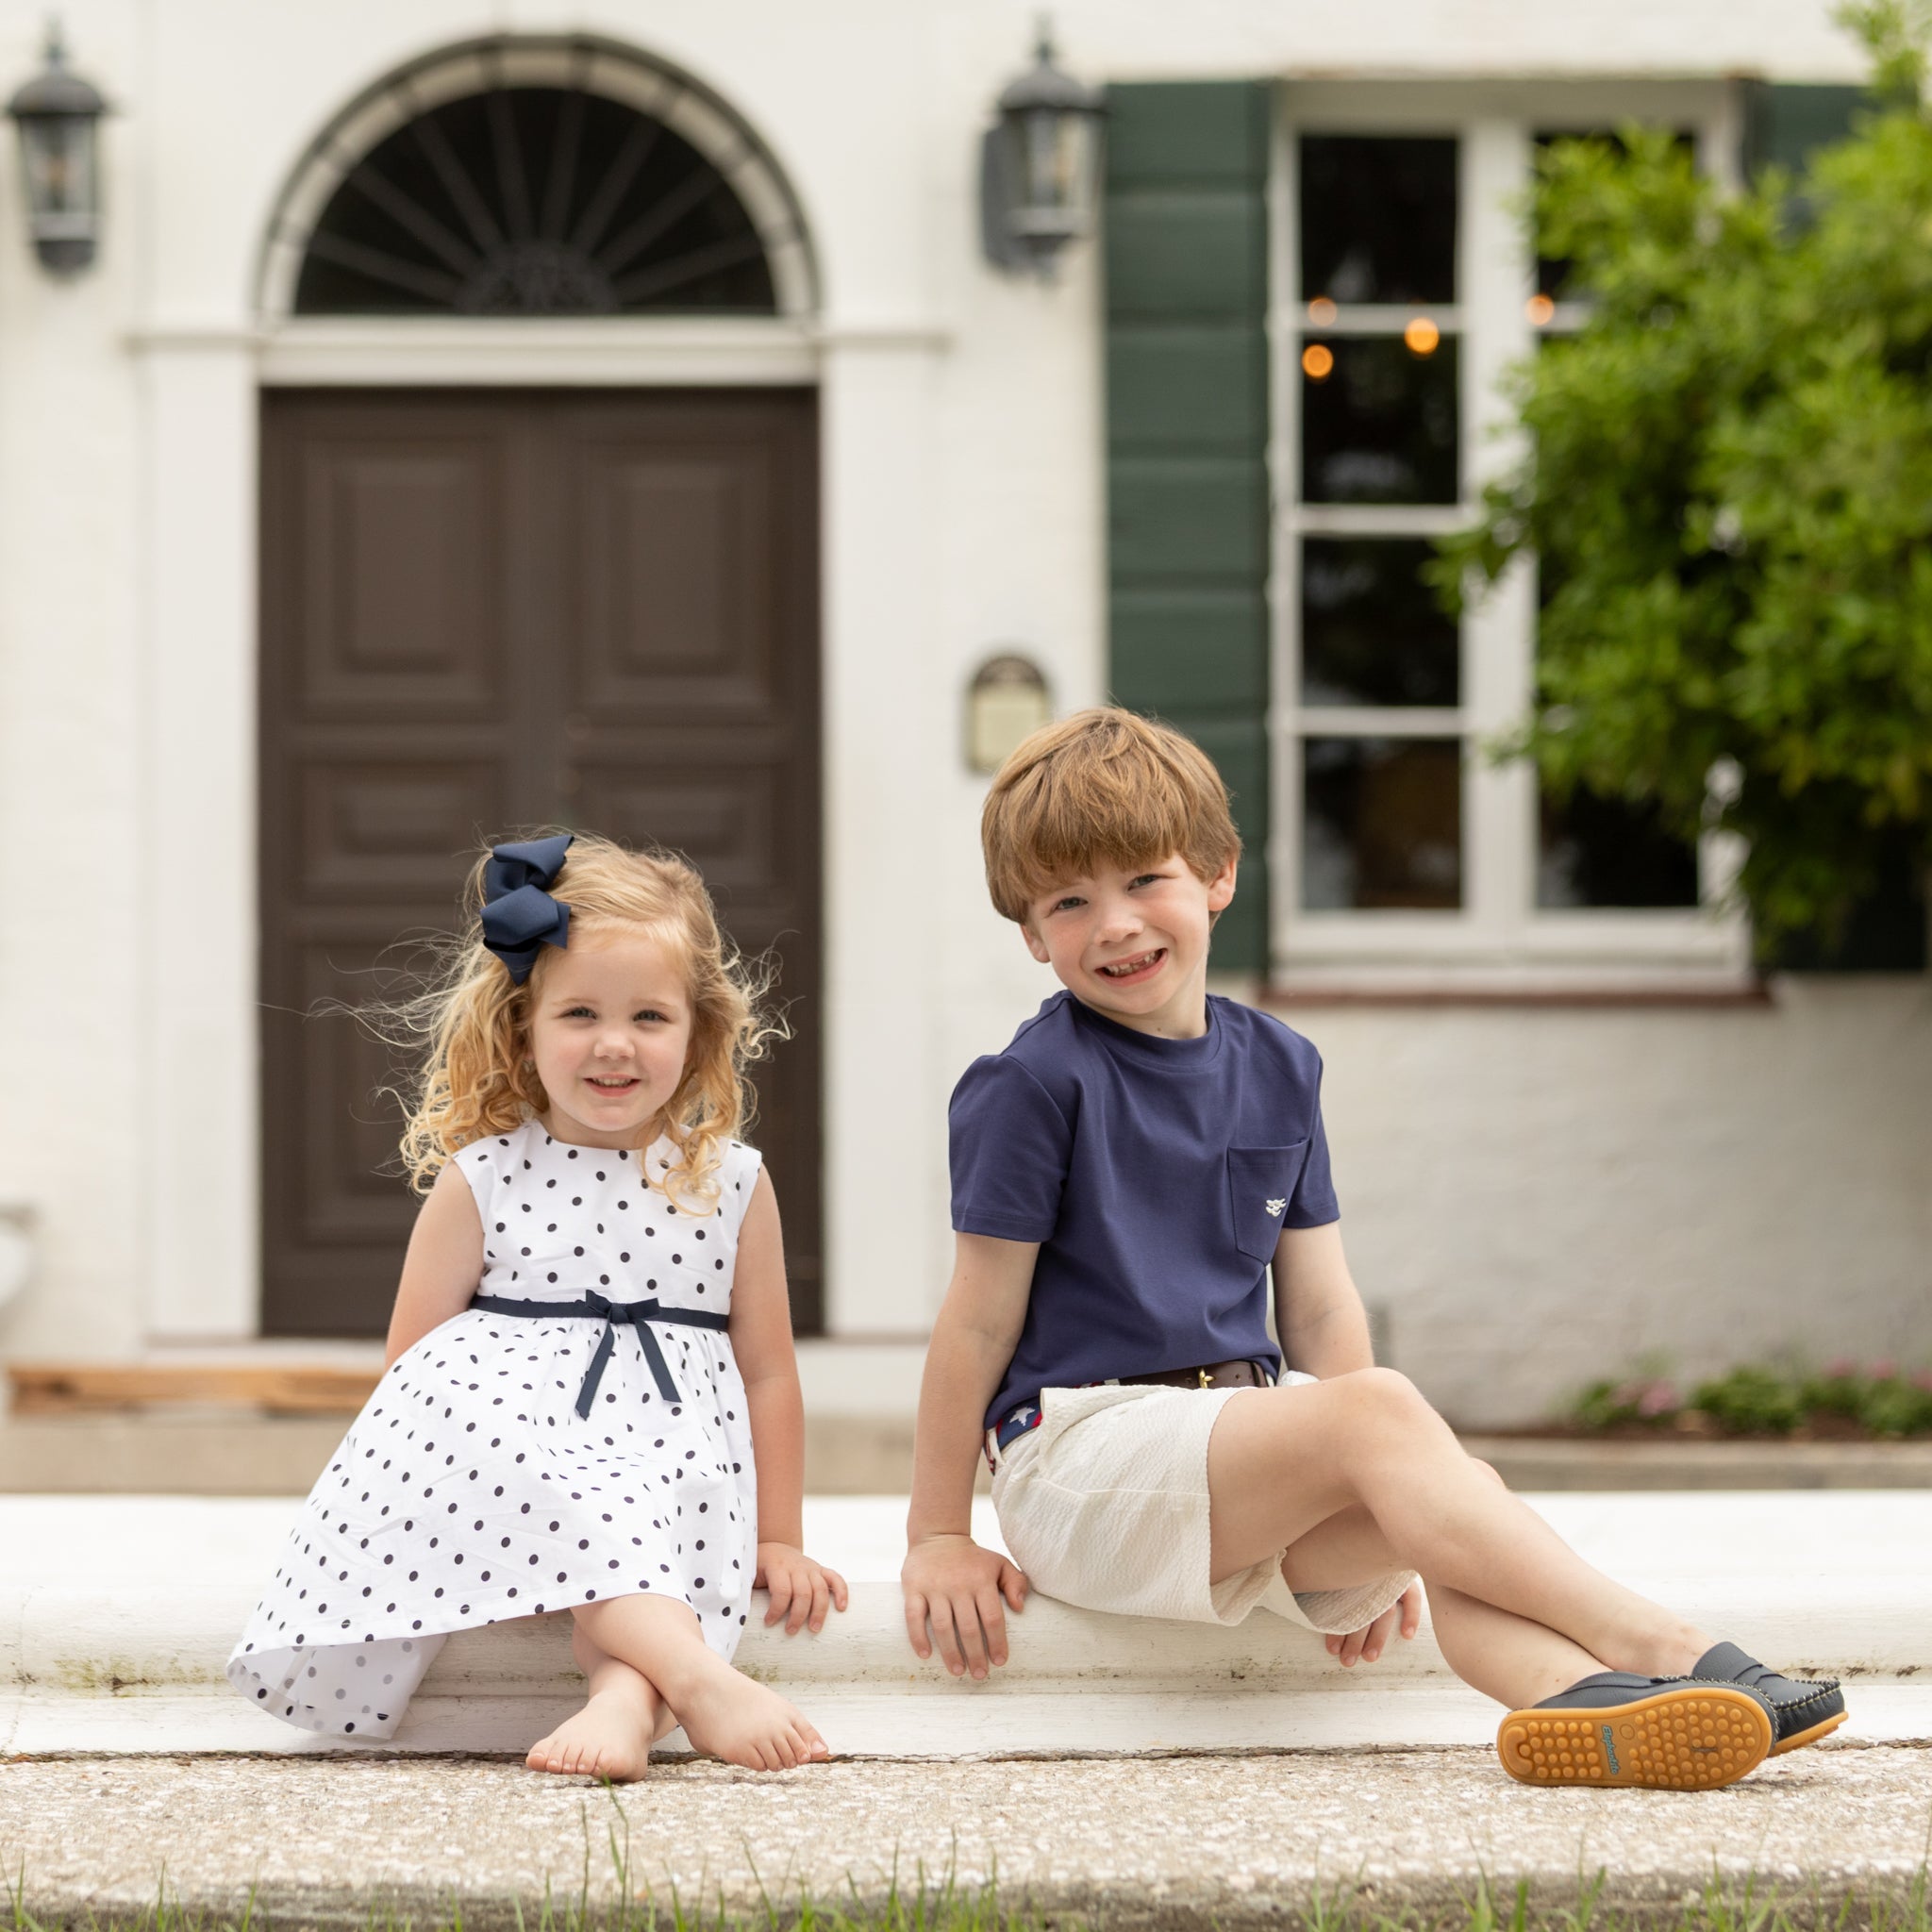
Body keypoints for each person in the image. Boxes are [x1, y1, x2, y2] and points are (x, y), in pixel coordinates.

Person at [900, 708, 1844, 1790]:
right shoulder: (1029, 1083)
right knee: (1390, 1420)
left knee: (1455, 1485)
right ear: (1031, 932)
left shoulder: (1279, 1063)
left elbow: (1317, 1311)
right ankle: (1667, 1647)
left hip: (1232, 1453)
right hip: (1080, 1457)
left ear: (1217, 873)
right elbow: (975, 1319)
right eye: (1069, 901)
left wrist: (1388, 1486)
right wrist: (936, 1531)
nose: (1112, 924)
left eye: (1143, 880)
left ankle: (1575, 1706)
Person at [230, 832, 845, 1779]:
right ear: (524, 1026)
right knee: (581, 1501)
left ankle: (624, 1695)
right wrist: (478, 1509)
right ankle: (689, 1679)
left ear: (697, 1030)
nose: (613, 1041)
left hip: (674, 1439)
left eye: (648, 1014)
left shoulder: (729, 1181)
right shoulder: (484, 1177)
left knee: (636, 1509)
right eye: (580, 1011)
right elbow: (414, 1373)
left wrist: (779, 1534)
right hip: (522, 1459)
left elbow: (765, 1365)